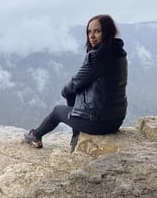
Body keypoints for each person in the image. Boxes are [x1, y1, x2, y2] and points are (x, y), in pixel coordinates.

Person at [24, 14, 128, 152]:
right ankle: (76, 135)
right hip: (116, 119)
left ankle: (36, 135)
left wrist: (65, 91)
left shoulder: (97, 57)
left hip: (99, 123)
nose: (92, 36)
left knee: (57, 110)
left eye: (97, 31)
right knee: (76, 91)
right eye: (89, 32)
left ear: (107, 32)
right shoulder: (118, 53)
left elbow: (75, 83)